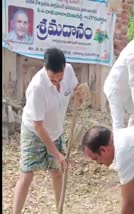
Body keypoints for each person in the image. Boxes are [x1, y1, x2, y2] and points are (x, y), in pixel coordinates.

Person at [12, 48, 86, 214]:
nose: (57, 82)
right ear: (45, 69)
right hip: (34, 131)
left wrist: (79, 94)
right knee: (27, 174)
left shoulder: (68, 70)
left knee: (58, 172)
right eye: (53, 80)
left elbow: (75, 91)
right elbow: (38, 126)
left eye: (60, 79)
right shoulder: (36, 87)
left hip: (56, 129)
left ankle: (59, 210)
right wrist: (57, 154)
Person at [104, 25, 134, 130]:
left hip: (125, 90)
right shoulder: (133, 54)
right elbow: (133, 82)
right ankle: (119, 145)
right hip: (115, 90)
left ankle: (130, 138)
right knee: (118, 124)